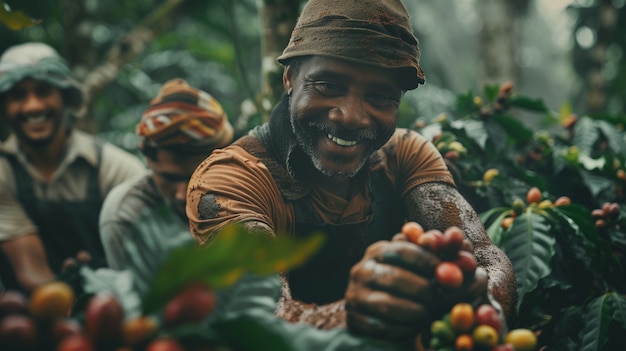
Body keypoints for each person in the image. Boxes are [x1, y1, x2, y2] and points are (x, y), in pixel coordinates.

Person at [186, 0, 518, 345]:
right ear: (290, 78)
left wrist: (484, 305)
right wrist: (348, 316)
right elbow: (256, 317)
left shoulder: (405, 155)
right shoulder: (232, 179)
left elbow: (483, 254)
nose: (351, 117)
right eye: (328, 86)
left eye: (380, 96)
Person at [0, 42, 145, 294]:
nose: (32, 106)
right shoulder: (3, 173)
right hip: (31, 321)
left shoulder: (117, 170)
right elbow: (30, 270)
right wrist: (68, 298)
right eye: (18, 95)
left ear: (65, 98)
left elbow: (145, 260)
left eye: (44, 91)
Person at [99, 78, 234, 296]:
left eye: (194, 180)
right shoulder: (126, 213)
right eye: (169, 179)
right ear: (149, 162)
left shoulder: (245, 193)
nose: (182, 194)